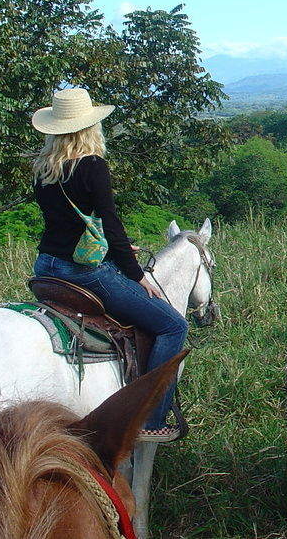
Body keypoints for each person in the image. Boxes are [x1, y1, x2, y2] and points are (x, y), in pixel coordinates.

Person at [30, 87, 188, 442]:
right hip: (82, 271)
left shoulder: (42, 168)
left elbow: (63, 223)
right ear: (89, 127)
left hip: (47, 266)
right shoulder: (92, 166)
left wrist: (108, 246)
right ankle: (151, 420)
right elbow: (111, 222)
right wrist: (136, 273)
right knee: (172, 326)